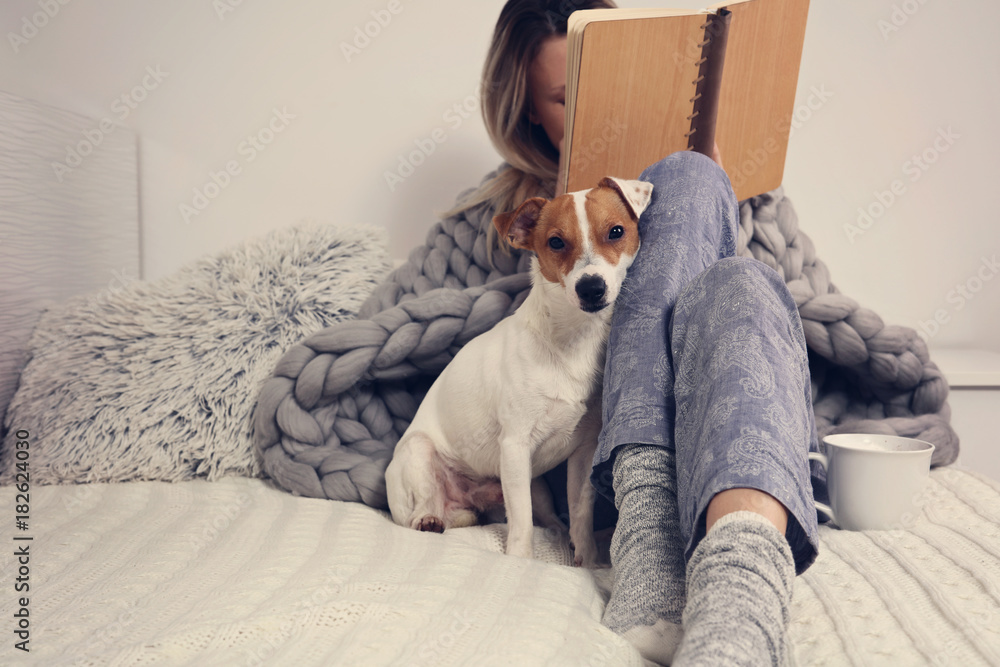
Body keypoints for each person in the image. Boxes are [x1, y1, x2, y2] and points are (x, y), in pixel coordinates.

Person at [442, 1, 822, 664]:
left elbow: (801, 324)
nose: (598, 113)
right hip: (598, 458)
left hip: (729, 435)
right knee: (698, 193)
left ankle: (709, 583)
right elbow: (401, 337)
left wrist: (712, 196)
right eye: (567, 99)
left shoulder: (759, 199)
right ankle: (669, 546)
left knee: (731, 258)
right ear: (529, 108)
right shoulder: (495, 213)